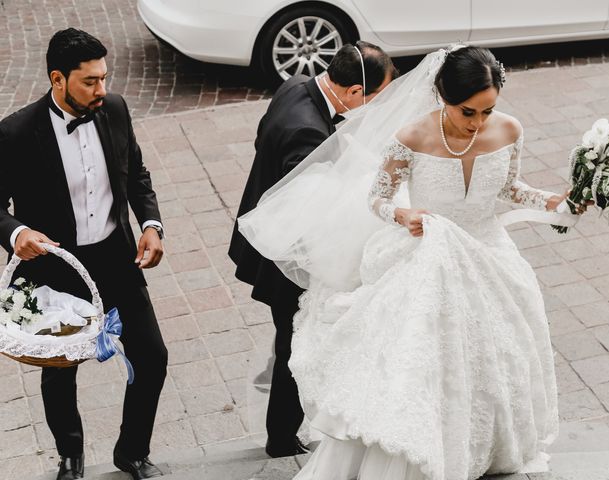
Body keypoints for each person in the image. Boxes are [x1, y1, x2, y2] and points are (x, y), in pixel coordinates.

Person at [238, 46, 590, 479]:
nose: (479, 123)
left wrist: (552, 200)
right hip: (430, 260)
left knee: (497, 354)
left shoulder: (510, 130)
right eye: (468, 112)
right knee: (426, 361)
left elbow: (511, 188)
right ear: (444, 96)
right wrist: (402, 214)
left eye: (487, 110)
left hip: (490, 257)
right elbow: (378, 199)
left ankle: (487, 444)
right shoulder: (411, 137)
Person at [0, 28, 167, 480]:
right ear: (58, 79)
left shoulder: (114, 109)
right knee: (60, 373)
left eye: (104, 78)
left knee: (152, 357)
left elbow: (137, 174)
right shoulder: (15, 133)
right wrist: (17, 233)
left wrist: (150, 224)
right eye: (90, 81)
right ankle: (70, 456)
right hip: (56, 271)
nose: (102, 89)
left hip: (116, 260)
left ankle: (132, 451)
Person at [228, 41, 398, 458]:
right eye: (375, 97)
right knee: (293, 341)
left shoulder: (296, 86)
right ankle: (281, 439)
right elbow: (309, 214)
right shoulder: (307, 133)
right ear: (355, 92)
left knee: (288, 337)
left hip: (259, 230)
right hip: (285, 259)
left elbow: (260, 140)